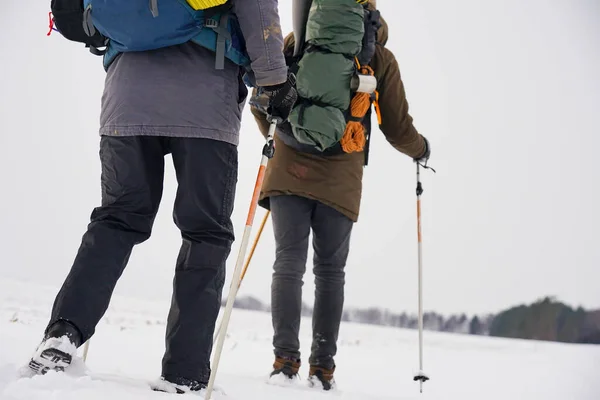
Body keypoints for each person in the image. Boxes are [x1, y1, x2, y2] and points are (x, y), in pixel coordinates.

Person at [27, 0, 297, 393]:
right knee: (205, 233)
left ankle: (63, 333)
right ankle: (183, 373)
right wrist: (274, 79)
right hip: (206, 95)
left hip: (127, 92)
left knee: (117, 218)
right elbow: (257, 9)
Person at [250, 0, 431, 391]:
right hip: (342, 170)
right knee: (330, 273)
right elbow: (397, 127)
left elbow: (264, 97)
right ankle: (322, 369)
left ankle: (284, 361)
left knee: (288, 264)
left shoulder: (299, 39)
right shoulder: (377, 55)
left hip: (288, 163)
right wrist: (422, 150)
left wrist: (280, 134)